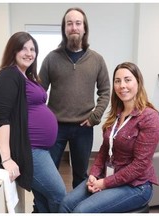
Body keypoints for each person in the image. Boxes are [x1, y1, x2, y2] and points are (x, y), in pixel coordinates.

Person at [59, 62, 159, 213]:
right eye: (117, 81)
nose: (122, 85)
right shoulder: (117, 114)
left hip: (136, 186)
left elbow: (140, 165)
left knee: (82, 211)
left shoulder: (149, 117)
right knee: (66, 203)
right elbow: (103, 151)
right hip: (108, 177)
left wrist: (105, 183)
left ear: (138, 82)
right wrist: (94, 175)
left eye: (128, 80)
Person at [0, 31, 66, 213]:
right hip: (29, 150)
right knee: (59, 194)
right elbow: (1, 117)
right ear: (13, 50)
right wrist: (7, 158)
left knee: (43, 200)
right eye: (23, 48)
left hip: (40, 149)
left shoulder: (27, 77)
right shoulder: (9, 75)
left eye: (32, 49)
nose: (29, 53)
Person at [39, 7, 110, 188]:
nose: (74, 27)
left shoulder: (97, 60)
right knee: (49, 172)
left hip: (83, 127)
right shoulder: (51, 59)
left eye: (78, 23)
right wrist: (45, 117)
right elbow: (39, 92)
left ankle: (78, 209)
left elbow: (105, 91)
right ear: (64, 28)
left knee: (80, 175)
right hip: (55, 127)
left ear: (84, 28)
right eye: (69, 23)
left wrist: (95, 116)